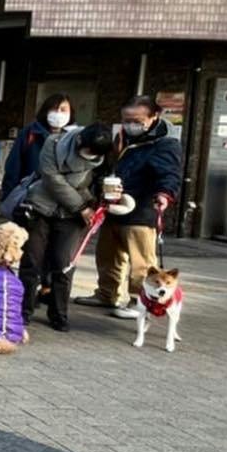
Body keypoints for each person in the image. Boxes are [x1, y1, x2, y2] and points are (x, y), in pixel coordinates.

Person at [79, 95, 182, 320]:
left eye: (137, 120)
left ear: (154, 116)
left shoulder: (165, 143)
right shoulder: (123, 138)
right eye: (126, 120)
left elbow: (170, 174)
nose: (130, 124)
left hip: (141, 210)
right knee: (107, 256)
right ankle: (106, 293)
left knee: (141, 262)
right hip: (114, 205)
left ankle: (140, 301)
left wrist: (164, 194)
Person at [18, 122, 113, 330]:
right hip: (41, 208)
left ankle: (59, 314)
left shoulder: (101, 159)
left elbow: (95, 185)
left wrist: (100, 200)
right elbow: (52, 179)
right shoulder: (54, 143)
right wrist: (81, 206)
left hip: (72, 217)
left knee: (64, 265)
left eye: (94, 154)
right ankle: (23, 310)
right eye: (87, 150)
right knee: (32, 261)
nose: (89, 156)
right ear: (79, 140)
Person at [1, 94, 74, 203]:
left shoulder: (75, 137)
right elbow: (13, 166)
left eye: (63, 110)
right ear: (46, 111)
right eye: (54, 109)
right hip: (30, 196)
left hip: (63, 199)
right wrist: (8, 197)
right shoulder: (30, 133)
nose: (58, 113)